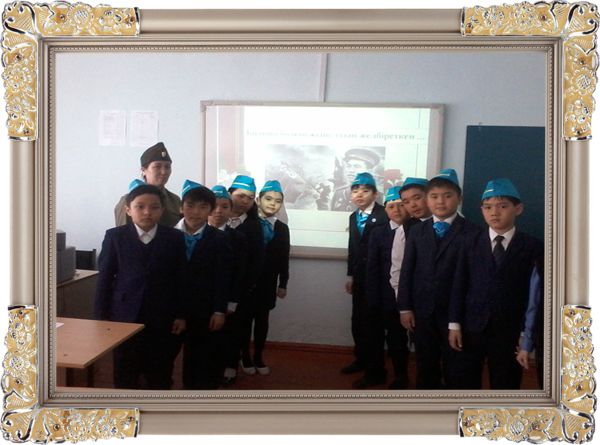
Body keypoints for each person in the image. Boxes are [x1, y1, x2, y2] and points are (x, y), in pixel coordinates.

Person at [448, 178, 543, 389]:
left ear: (518, 209)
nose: (494, 213)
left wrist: (525, 333)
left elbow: (534, 296)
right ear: (481, 210)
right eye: (488, 207)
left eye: (502, 206)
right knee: (465, 381)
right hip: (472, 326)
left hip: (510, 330)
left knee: (505, 383)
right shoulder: (469, 242)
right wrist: (454, 324)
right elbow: (459, 284)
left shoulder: (533, 246)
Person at [95, 179, 187, 389]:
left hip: (162, 315)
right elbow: (105, 279)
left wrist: (181, 314)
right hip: (124, 315)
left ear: (162, 210)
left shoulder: (174, 238)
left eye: (154, 207)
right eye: (140, 207)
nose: (147, 212)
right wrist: (101, 317)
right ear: (128, 210)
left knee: (159, 369)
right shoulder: (115, 236)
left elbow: (180, 277)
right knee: (125, 369)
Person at [397, 168, 479, 389]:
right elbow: (407, 270)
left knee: (457, 369)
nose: (440, 201)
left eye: (447, 195)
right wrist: (404, 307)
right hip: (422, 312)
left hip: (457, 314)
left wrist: (458, 319)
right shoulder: (417, 231)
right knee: (425, 365)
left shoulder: (474, 233)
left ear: (459, 198)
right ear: (427, 199)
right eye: (434, 196)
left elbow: (472, 280)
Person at [175, 180, 233, 389]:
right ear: (181, 207)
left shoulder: (220, 239)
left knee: (199, 358)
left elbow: (222, 276)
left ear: (210, 210)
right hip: (171, 309)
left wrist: (219, 310)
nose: (195, 212)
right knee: (162, 358)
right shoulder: (167, 236)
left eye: (202, 207)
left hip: (203, 309)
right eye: (190, 206)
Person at [359, 186, 415, 389]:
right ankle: (375, 373)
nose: (397, 210)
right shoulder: (378, 232)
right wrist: (371, 297)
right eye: (391, 206)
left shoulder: (416, 231)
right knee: (373, 337)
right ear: (385, 209)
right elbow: (372, 267)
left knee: (397, 340)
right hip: (379, 295)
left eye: (401, 205)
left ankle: (401, 376)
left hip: (402, 298)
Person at [238, 180, 290, 375]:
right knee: (244, 322)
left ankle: (259, 356)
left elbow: (284, 258)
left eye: (277, 201)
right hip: (247, 284)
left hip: (268, 284)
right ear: (258, 200)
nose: (272, 204)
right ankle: (245, 356)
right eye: (268, 199)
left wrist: (283, 283)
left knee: (262, 322)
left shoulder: (282, 228)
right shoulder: (247, 224)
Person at [342, 172, 389, 378]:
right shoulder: (353, 217)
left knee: (373, 325)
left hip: (379, 280)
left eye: (365, 190)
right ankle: (361, 359)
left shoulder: (385, 214)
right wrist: (351, 276)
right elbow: (353, 249)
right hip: (360, 278)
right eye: (355, 191)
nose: (359, 195)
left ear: (375, 194)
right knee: (358, 322)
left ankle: (375, 369)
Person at [208, 185, 249, 386]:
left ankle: (229, 367)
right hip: (203, 297)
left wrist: (233, 300)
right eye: (214, 206)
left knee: (229, 334)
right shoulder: (196, 234)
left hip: (228, 297)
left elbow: (240, 272)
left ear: (231, 210)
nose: (218, 211)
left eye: (224, 207)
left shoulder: (238, 238)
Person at [227, 175, 265, 375]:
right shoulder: (217, 219)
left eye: (250, 198)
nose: (245, 201)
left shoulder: (254, 225)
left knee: (237, 328)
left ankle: (231, 366)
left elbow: (257, 260)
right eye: (240, 196)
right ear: (229, 193)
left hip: (242, 288)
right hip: (216, 286)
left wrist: (247, 286)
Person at [114, 142, 181, 227]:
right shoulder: (128, 200)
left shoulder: (175, 200)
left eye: (167, 167)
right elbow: (122, 232)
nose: (164, 172)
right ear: (143, 170)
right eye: (157, 167)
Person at [331, 147, 382, 211]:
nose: (351, 170)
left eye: (357, 166)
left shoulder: (377, 196)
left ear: (368, 171)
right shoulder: (339, 193)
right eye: (349, 166)